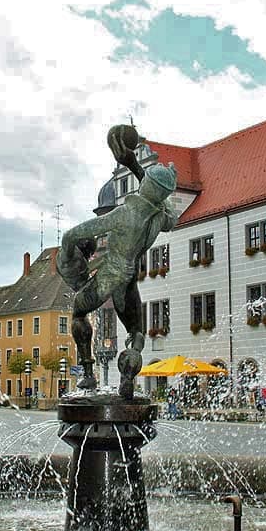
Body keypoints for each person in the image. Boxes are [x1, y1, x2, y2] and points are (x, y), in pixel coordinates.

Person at [57, 125, 178, 399]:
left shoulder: (124, 213)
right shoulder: (159, 219)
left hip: (108, 277)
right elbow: (171, 213)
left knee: (78, 312)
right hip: (129, 280)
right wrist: (135, 165)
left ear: (145, 186)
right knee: (136, 333)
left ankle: (87, 373)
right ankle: (127, 375)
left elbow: (73, 234)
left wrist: (69, 260)